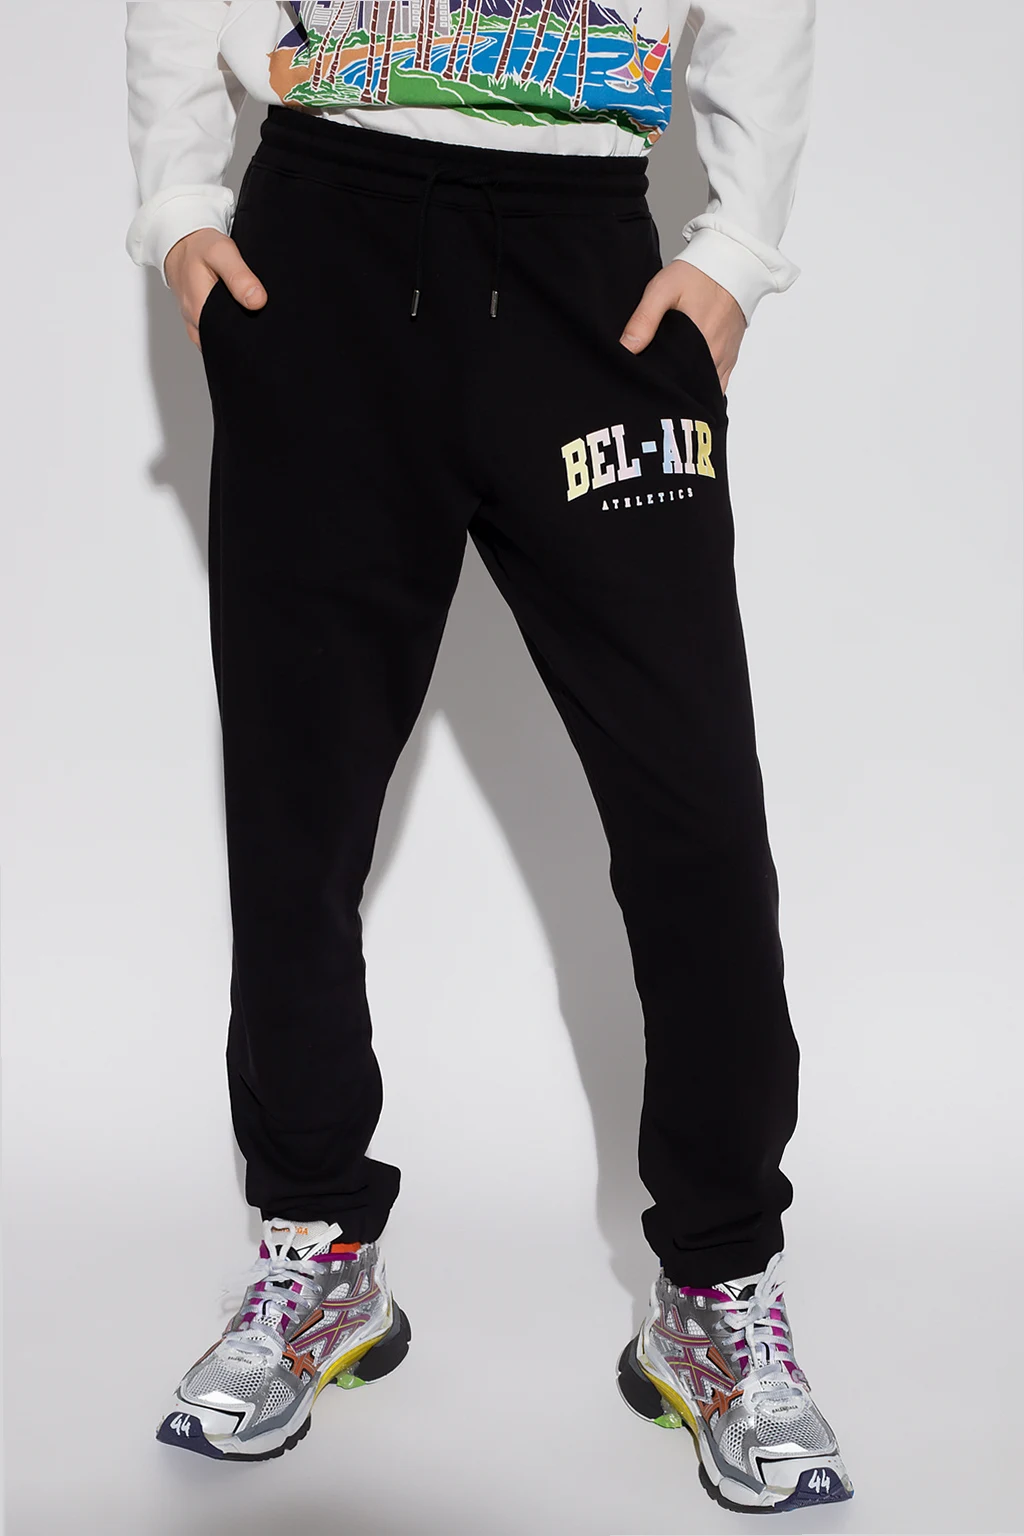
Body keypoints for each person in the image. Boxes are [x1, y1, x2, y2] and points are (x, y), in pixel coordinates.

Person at [126, 0, 853, 1511]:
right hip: (321, 240)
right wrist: (182, 202)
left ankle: (718, 1286)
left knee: (695, 816)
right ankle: (317, 1246)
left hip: (594, 266)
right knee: (299, 808)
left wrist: (735, 247)